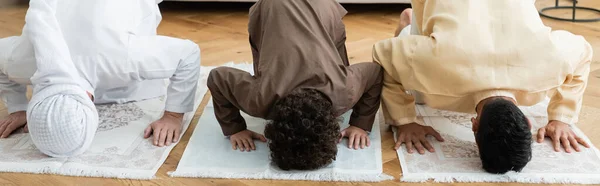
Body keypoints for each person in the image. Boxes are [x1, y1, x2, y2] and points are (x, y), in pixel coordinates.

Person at [374, 0, 593, 174]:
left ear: (527, 121)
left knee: (419, 81)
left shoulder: (548, 64)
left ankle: (412, 28)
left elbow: (583, 51)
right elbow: (383, 55)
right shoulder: (440, 64)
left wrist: (560, 117)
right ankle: (409, 25)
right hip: (449, 40)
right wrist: (404, 121)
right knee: (420, 96)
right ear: (474, 126)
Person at [0, 0, 201, 157]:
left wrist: (173, 116)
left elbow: (188, 54)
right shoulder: (22, 61)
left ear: (90, 101)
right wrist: (19, 108)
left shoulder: (119, 59)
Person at [207, 0, 383, 170]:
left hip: (314, 7)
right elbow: (217, 78)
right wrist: (235, 128)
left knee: (333, 58)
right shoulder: (258, 100)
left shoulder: (344, 92)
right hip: (287, 6)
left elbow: (375, 72)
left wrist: (360, 124)